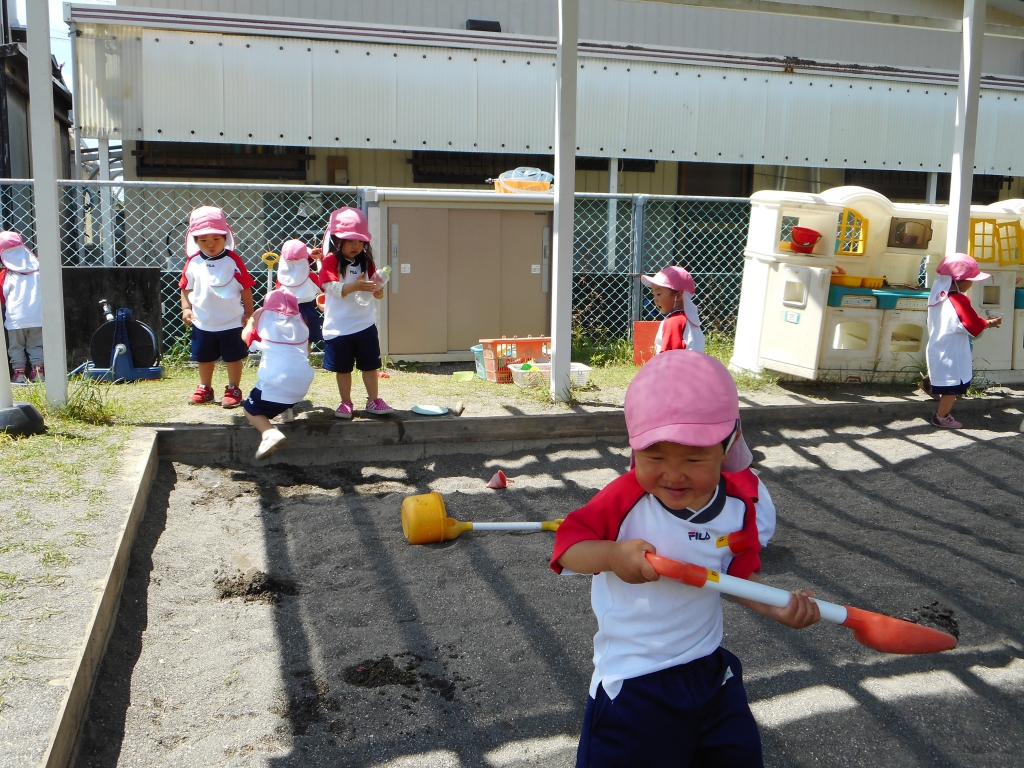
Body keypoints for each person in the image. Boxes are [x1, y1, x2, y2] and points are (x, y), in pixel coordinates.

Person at [551, 351, 820, 768]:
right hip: (635, 681)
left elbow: (734, 578)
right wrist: (613, 554)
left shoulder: (738, 506)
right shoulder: (624, 500)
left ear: (728, 445)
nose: (674, 475)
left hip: (709, 671)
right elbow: (567, 547)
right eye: (655, 457)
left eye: (694, 459)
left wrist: (780, 609)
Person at [318, 207, 392, 419]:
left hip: (364, 323)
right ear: (338, 240)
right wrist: (356, 287)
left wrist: (377, 291)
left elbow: (375, 293)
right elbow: (330, 286)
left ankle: (373, 400)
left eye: (360, 241)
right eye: (350, 241)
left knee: (370, 365)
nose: (356, 245)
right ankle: (345, 402)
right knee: (343, 369)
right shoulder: (331, 261)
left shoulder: (366, 262)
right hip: (339, 327)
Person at [179, 206, 255, 408]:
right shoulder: (193, 262)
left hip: (231, 321)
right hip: (203, 321)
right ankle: (205, 388)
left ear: (225, 237)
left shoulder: (232, 260)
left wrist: (249, 312)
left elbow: (245, 287)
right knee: (204, 358)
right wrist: (186, 309)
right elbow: (185, 287)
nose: (210, 245)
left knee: (233, 357)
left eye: (216, 239)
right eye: (203, 240)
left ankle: (233, 388)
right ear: (194, 241)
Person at [925, 252, 1001, 429]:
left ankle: (929, 386)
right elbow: (971, 326)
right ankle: (941, 416)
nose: (971, 283)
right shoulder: (959, 299)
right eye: (971, 280)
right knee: (954, 386)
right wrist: (989, 323)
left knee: (939, 374)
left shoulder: (937, 296)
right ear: (959, 281)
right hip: (953, 352)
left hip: (937, 346)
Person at [241, 290, 315, 461]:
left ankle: (269, 433)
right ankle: (286, 411)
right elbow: (306, 353)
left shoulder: (265, 322)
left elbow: (246, 338)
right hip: (302, 383)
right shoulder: (302, 324)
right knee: (288, 383)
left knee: (250, 409)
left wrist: (251, 322)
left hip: (276, 381)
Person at [0, 232, 43, 384]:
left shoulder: (7, 274)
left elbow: (3, 295)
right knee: (36, 344)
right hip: (38, 316)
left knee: (16, 346)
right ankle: (38, 372)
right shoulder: (38, 270)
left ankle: (19, 374)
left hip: (15, 318)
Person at [641, 265, 706, 354]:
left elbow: (668, 357)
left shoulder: (674, 321)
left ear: (678, 296)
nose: (655, 300)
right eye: (654, 295)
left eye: (659, 294)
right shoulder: (691, 319)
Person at [275, 238, 323, 355]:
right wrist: (318, 261)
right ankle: (304, 364)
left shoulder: (282, 280)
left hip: (286, 311)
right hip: (307, 311)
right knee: (306, 342)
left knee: (288, 343)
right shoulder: (310, 277)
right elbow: (323, 283)